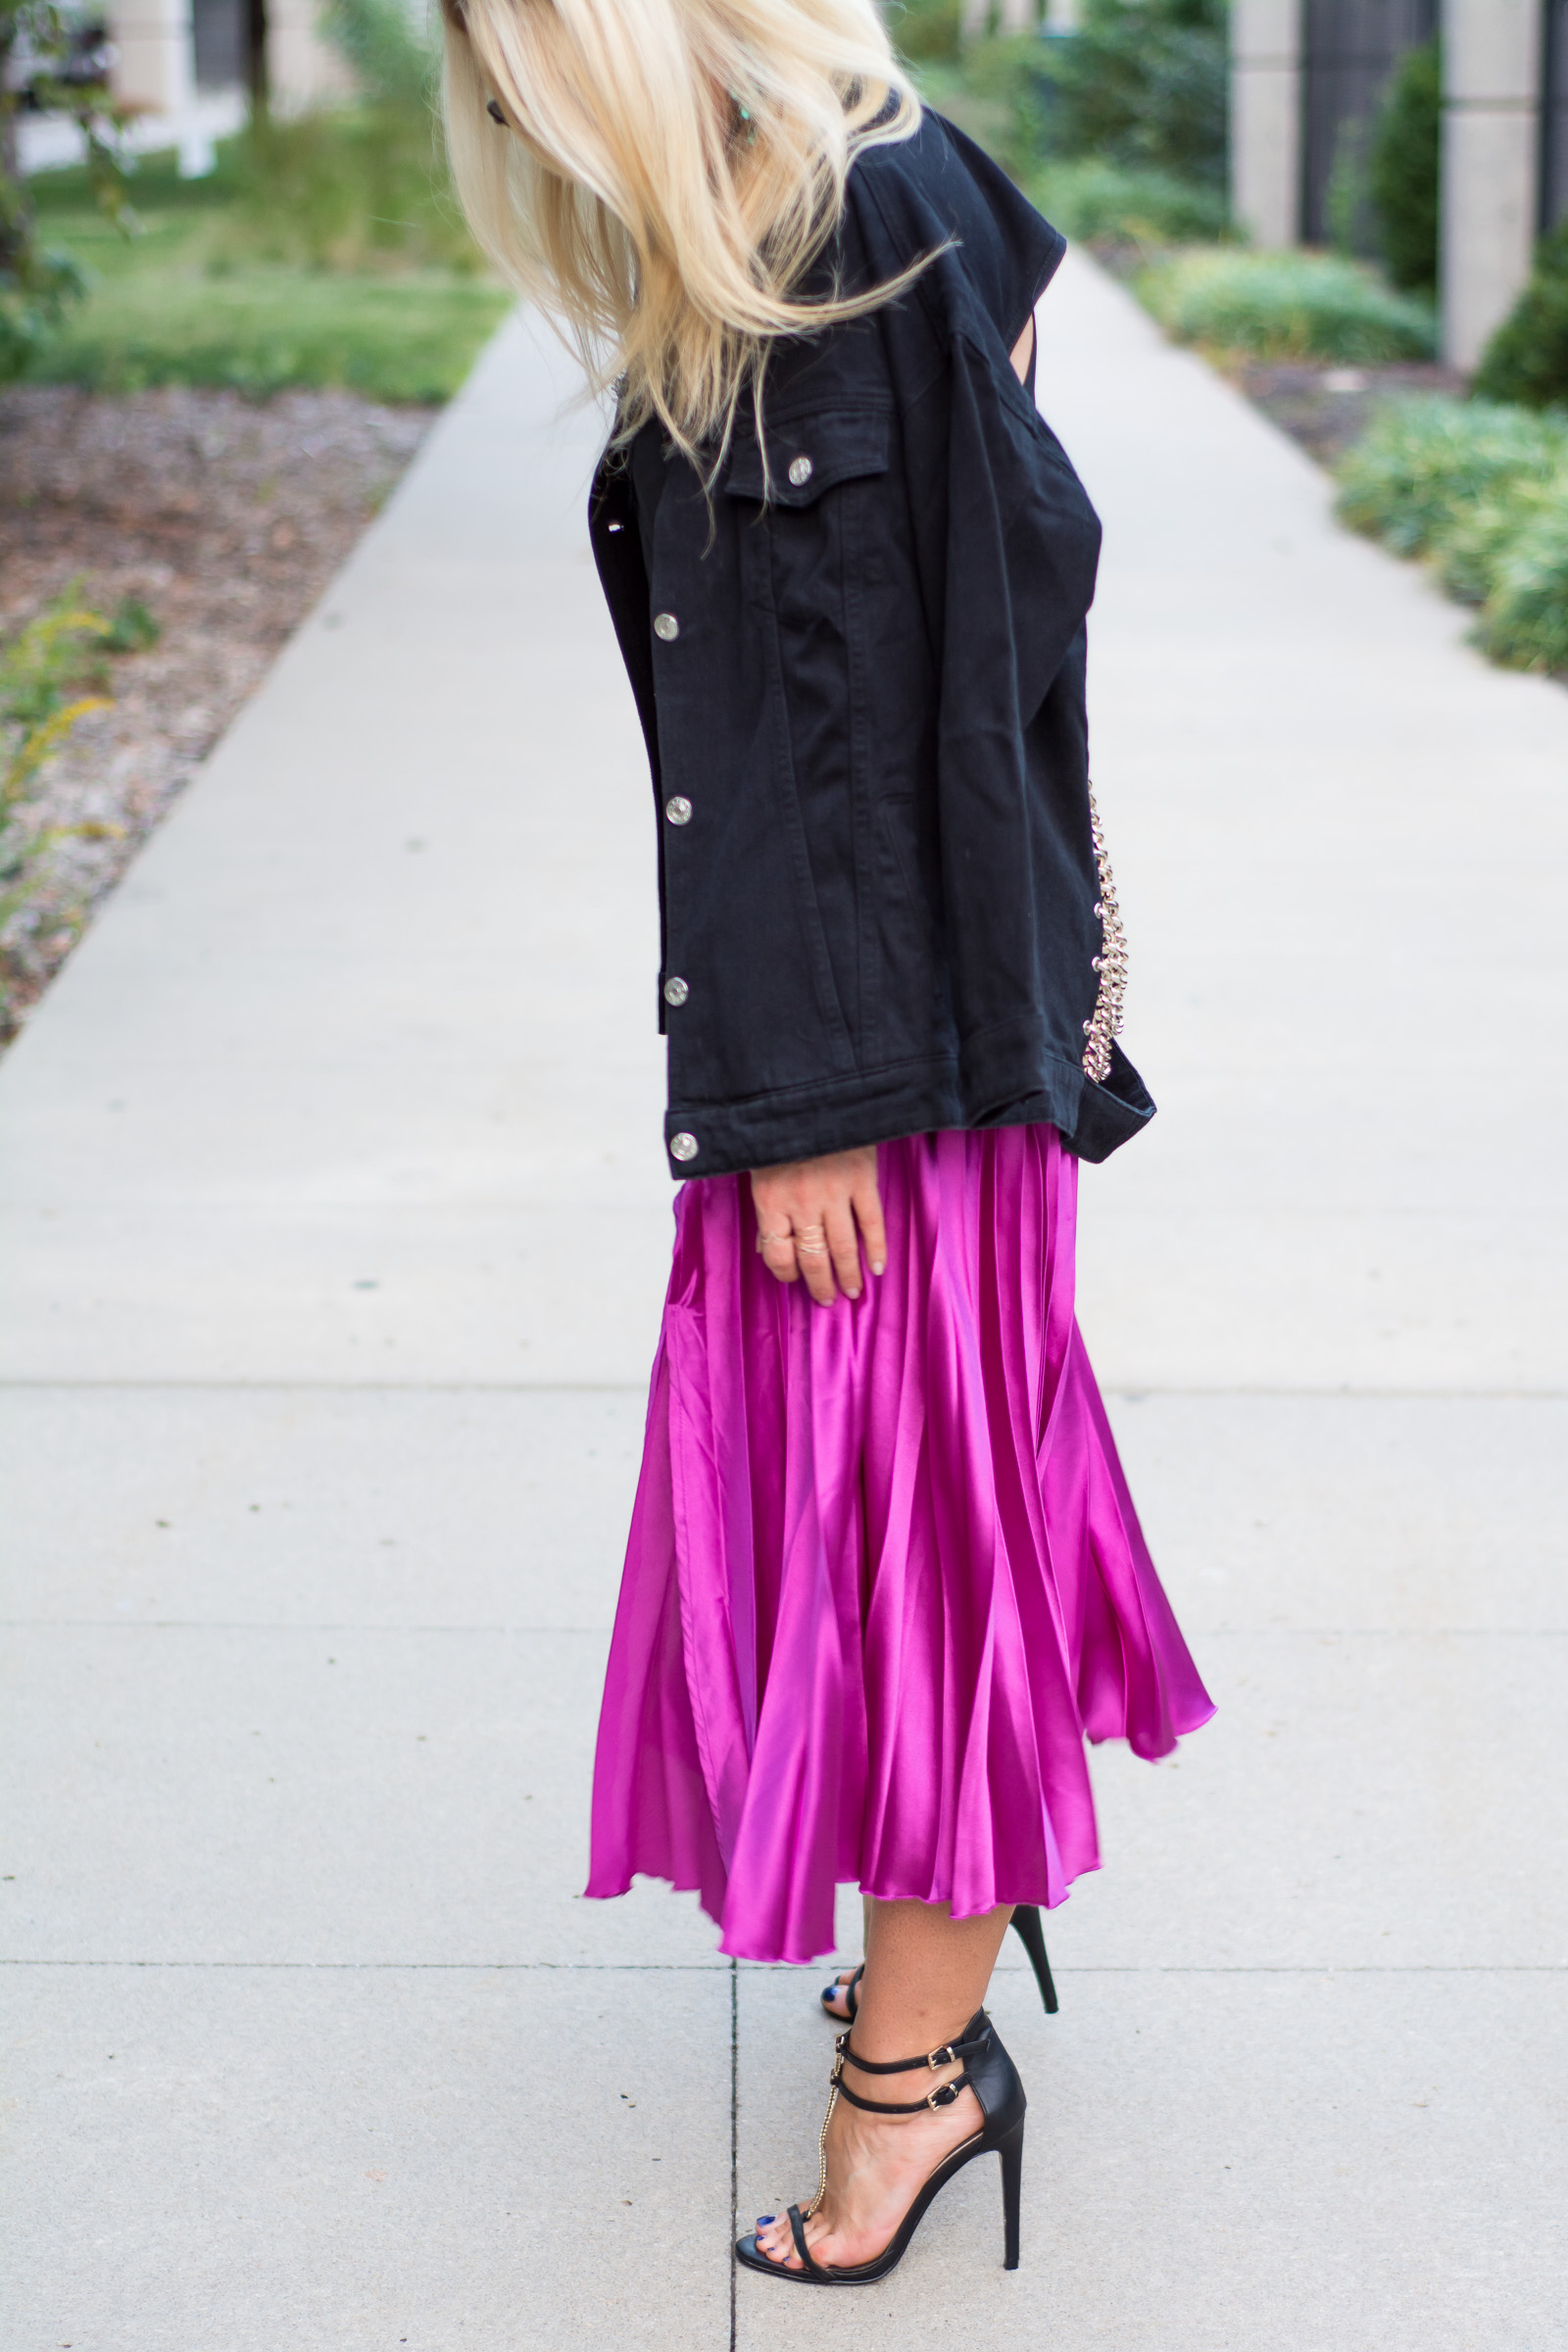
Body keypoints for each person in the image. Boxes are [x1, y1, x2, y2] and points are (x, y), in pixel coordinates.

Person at [440, 0, 1214, 2286]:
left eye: (501, 42)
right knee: (861, 1556)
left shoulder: (840, 228)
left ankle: (914, 2092)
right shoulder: (862, 186)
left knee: (919, 1577)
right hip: (870, 1037)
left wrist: (813, 1105)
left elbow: (883, 702)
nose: (485, 93)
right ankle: (922, 2020)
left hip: (869, 1077)